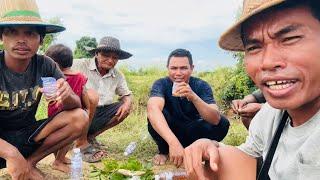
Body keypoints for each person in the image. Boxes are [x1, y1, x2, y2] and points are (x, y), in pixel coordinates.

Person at [184, 0, 320, 179]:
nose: (267, 62)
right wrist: (210, 147)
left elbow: (215, 117)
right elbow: (249, 155)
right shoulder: (271, 115)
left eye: (289, 39)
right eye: (254, 47)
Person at [0, 0, 89, 179]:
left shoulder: (46, 64)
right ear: (2, 37)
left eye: (30, 33)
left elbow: (77, 105)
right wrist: (11, 153)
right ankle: (17, 162)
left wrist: (67, 95)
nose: (21, 40)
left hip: (27, 134)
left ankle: (30, 163)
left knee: (80, 117)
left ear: (41, 40)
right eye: (12, 32)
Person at [147, 48, 230, 167]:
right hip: (170, 131)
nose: (178, 73)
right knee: (156, 114)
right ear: (168, 68)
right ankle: (164, 151)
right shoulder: (161, 84)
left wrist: (194, 97)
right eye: (174, 68)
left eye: (183, 68)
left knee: (223, 123)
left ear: (192, 68)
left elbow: (215, 119)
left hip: (192, 130)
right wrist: (173, 143)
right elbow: (153, 109)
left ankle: (195, 148)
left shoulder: (201, 85)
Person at [72, 36, 133, 154]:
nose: (110, 60)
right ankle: (80, 141)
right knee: (90, 96)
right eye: (106, 55)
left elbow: (126, 94)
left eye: (115, 58)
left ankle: (89, 137)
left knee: (125, 106)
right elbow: (57, 68)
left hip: (100, 113)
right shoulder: (78, 65)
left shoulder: (118, 75)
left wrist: (128, 102)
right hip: (79, 111)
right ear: (96, 54)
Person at [45, 44, 101, 172]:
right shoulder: (80, 76)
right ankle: (59, 160)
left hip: (54, 113)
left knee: (57, 138)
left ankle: (58, 159)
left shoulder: (52, 77)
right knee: (68, 139)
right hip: (74, 114)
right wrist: (87, 108)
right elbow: (84, 93)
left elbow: (48, 96)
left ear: (54, 63)